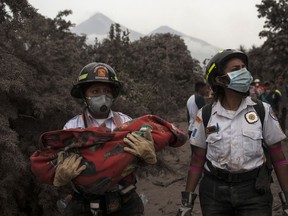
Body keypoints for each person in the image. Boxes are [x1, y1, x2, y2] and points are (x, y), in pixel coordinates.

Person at [176, 49, 288, 216]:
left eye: (244, 67)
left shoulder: (261, 111)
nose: (243, 72)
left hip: (254, 192)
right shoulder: (206, 115)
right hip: (214, 193)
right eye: (236, 69)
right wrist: (187, 202)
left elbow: (278, 156)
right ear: (220, 79)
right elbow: (197, 160)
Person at [53, 62, 157, 216]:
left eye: (107, 91)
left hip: (125, 204)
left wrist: (147, 157)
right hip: (84, 206)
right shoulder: (72, 127)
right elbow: (62, 161)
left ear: (113, 94)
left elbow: (135, 159)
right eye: (95, 91)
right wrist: (61, 174)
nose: (102, 96)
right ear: (84, 95)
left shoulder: (126, 122)